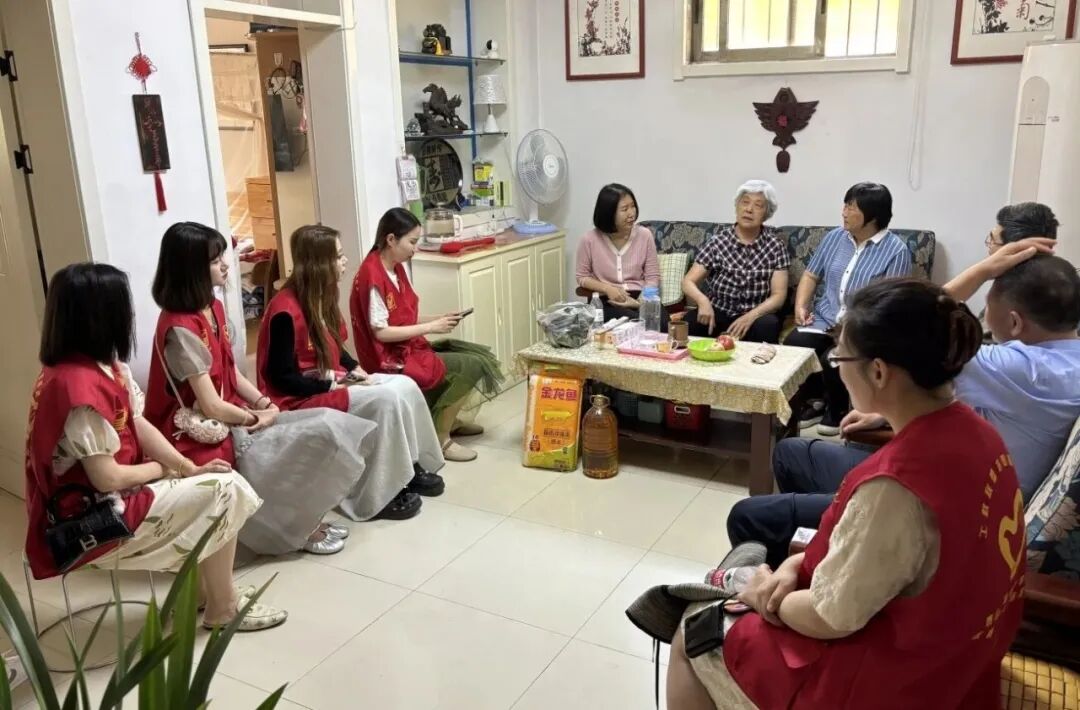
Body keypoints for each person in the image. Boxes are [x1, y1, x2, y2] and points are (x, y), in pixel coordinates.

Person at [667, 278, 1024, 710]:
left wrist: (768, 598)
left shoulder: (895, 489)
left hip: (903, 682)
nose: (837, 367)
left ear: (878, 371)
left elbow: (830, 615)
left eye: (840, 357)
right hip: (962, 655)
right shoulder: (981, 434)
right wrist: (796, 564)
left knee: (693, 631)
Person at [728, 240, 1080, 567]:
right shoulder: (1062, 364)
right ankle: (823, 549)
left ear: (1015, 322)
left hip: (944, 511)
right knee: (789, 453)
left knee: (749, 516)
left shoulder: (1027, 371)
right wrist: (887, 414)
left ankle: (800, 568)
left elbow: (903, 324)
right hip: (951, 478)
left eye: (988, 305)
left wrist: (983, 270)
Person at [24, 263, 285, 632]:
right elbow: (107, 478)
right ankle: (223, 608)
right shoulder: (78, 387)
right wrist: (163, 469)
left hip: (107, 497)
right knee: (224, 490)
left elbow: (138, 422)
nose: (130, 315)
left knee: (210, 480)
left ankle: (201, 594)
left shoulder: (96, 367)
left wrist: (186, 467)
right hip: (91, 519)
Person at [145, 222, 388, 558]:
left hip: (233, 412)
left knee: (328, 425)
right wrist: (255, 417)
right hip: (201, 431)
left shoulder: (212, 308)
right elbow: (211, 405)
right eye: (216, 262)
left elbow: (230, 372)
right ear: (189, 270)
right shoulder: (180, 330)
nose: (226, 266)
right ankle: (295, 529)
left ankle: (305, 520)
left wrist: (263, 403)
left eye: (222, 258)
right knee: (314, 436)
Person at [257, 224, 447, 519]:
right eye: (338, 256)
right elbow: (281, 378)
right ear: (319, 262)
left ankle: (411, 466)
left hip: (330, 380)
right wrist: (333, 385)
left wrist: (353, 368)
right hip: (299, 398)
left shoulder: (322, 295)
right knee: (384, 400)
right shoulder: (285, 309)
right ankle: (379, 494)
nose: (345, 261)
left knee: (404, 386)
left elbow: (335, 344)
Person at [350, 208, 503, 463]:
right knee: (470, 365)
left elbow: (403, 316)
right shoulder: (372, 275)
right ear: (391, 239)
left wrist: (438, 318)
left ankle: (449, 420)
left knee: (474, 356)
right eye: (411, 242)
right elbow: (381, 332)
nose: (415, 249)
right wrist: (431, 327)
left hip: (408, 346)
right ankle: (441, 438)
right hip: (390, 358)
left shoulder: (394, 268)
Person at [787, 182, 913, 436]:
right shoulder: (835, 237)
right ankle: (813, 401)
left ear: (872, 216)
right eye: (845, 205)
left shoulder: (896, 251)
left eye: (851, 207)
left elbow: (892, 306)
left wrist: (855, 326)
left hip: (861, 327)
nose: (844, 212)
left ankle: (836, 410)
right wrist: (801, 306)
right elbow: (811, 275)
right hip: (825, 319)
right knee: (795, 344)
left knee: (833, 358)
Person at [682, 180, 789, 342]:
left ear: (766, 214)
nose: (749, 209)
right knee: (690, 323)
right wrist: (703, 301)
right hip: (718, 311)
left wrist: (751, 316)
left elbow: (778, 296)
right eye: (745, 202)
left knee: (768, 325)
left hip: (756, 314)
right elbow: (688, 281)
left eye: (758, 205)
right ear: (737, 206)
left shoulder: (775, 247)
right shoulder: (718, 242)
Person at [575, 183, 662, 323]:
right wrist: (607, 288)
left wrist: (640, 303)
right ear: (608, 213)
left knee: (662, 322)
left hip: (639, 297)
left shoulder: (645, 235)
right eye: (624, 209)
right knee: (633, 321)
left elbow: (652, 277)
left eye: (633, 206)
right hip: (606, 300)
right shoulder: (589, 240)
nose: (631, 213)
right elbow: (582, 277)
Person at [980, 201, 1059, 341]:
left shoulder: (1007, 298)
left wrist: (981, 272)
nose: (989, 247)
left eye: (993, 240)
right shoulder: (1064, 283)